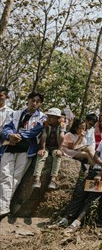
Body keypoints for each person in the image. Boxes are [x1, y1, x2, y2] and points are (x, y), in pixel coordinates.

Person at [59, 119, 102, 233]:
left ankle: (77, 222)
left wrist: (100, 174)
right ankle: (67, 218)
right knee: (80, 192)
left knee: (92, 198)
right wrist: (100, 164)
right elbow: (95, 156)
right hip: (95, 170)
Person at [0, 92, 46, 220]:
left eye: (37, 101)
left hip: (26, 150)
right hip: (9, 147)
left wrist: (18, 136)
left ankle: (3, 207)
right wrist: (10, 135)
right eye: (32, 100)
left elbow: (35, 131)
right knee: (5, 175)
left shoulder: (42, 117)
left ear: (40, 104)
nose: (34, 103)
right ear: (28, 100)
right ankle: (4, 207)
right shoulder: (15, 113)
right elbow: (6, 128)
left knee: (16, 178)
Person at [32, 108, 65, 190]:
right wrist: (42, 148)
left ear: (57, 118)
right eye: (48, 116)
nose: (49, 118)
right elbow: (44, 136)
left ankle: (53, 180)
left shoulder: (61, 125)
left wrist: (59, 149)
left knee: (57, 156)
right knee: (42, 155)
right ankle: (37, 179)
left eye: (51, 117)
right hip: (46, 146)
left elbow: (62, 137)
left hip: (55, 147)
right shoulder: (46, 124)